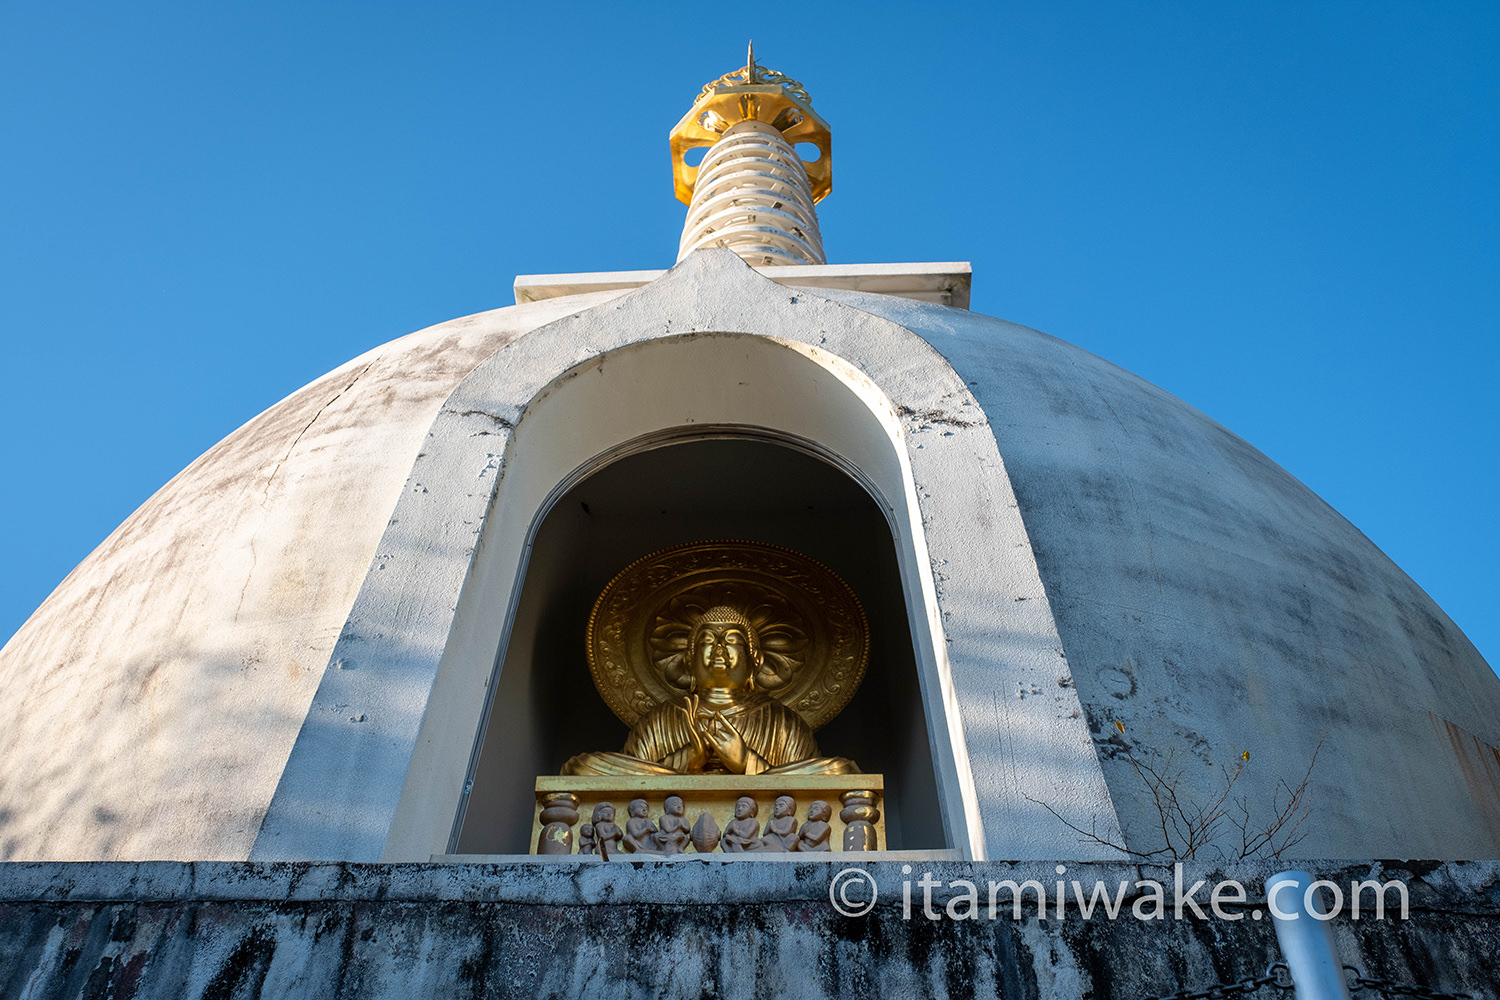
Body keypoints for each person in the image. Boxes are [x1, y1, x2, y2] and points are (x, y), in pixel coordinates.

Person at [563, 607, 856, 776]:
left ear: (755, 660)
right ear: (689, 659)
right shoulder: (662, 718)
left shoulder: (783, 722)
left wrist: (746, 762)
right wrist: (686, 759)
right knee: (581, 768)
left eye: (731, 640)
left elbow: (817, 785)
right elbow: (628, 782)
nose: (718, 649)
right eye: (707, 640)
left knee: (841, 770)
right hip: (669, 826)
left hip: (764, 826)